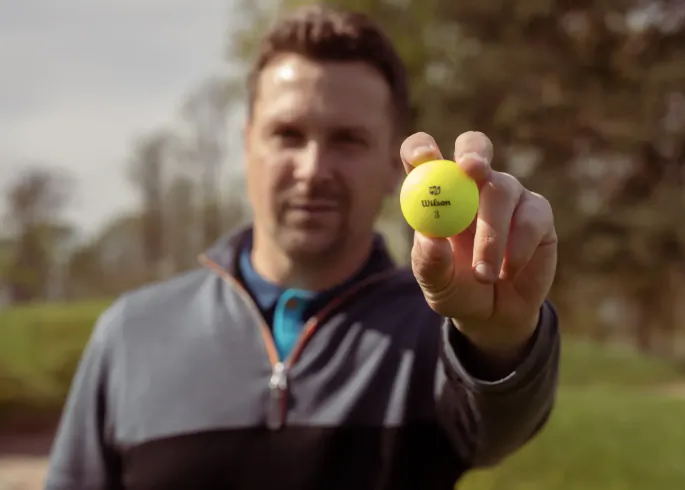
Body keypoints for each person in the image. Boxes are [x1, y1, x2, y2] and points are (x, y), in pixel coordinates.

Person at [45, 5, 560, 490]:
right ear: (247, 146)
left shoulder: (441, 330)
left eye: (347, 140)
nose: (313, 170)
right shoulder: (131, 334)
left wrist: (498, 342)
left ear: (393, 166)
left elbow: (499, 429)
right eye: (288, 135)